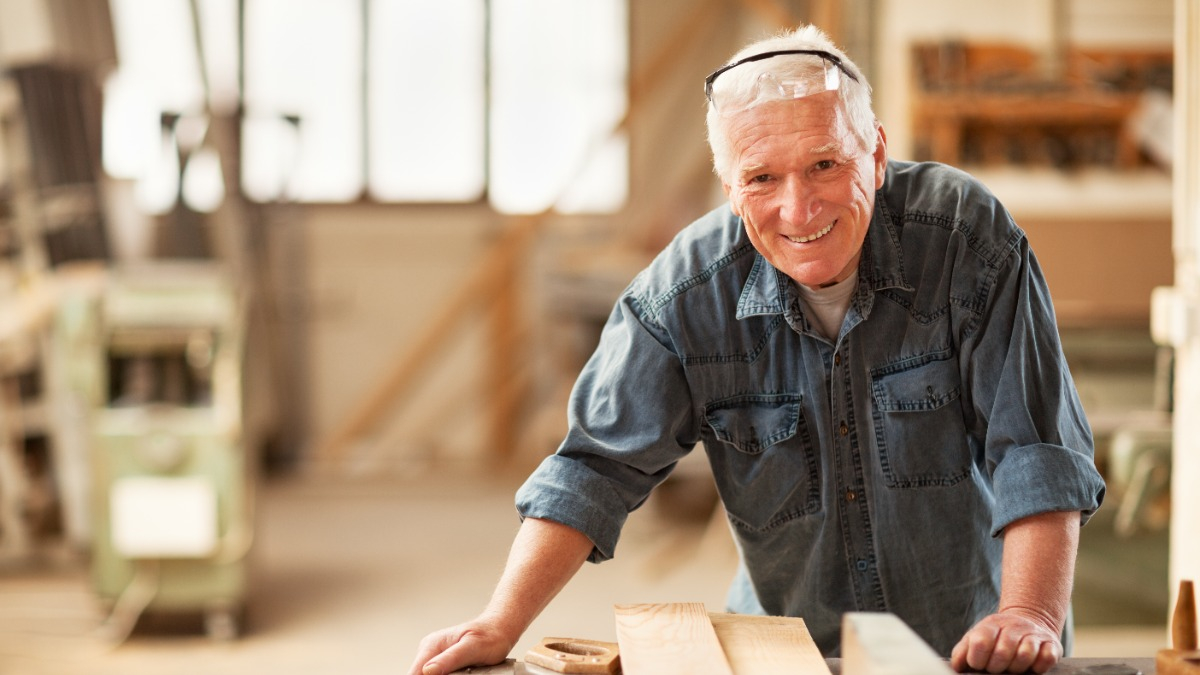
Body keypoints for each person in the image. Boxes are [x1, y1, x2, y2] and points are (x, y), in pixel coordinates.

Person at [409, 24, 1105, 675]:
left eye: (825, 163)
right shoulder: (681, 297)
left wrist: (1030, 612)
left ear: (877, 154)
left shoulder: (965, 239)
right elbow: (593, 468)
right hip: (786, 649)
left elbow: (1037, 448)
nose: (799, 210)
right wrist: (501, 619)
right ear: (730, 188)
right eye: (762, 178)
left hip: (973, 644)